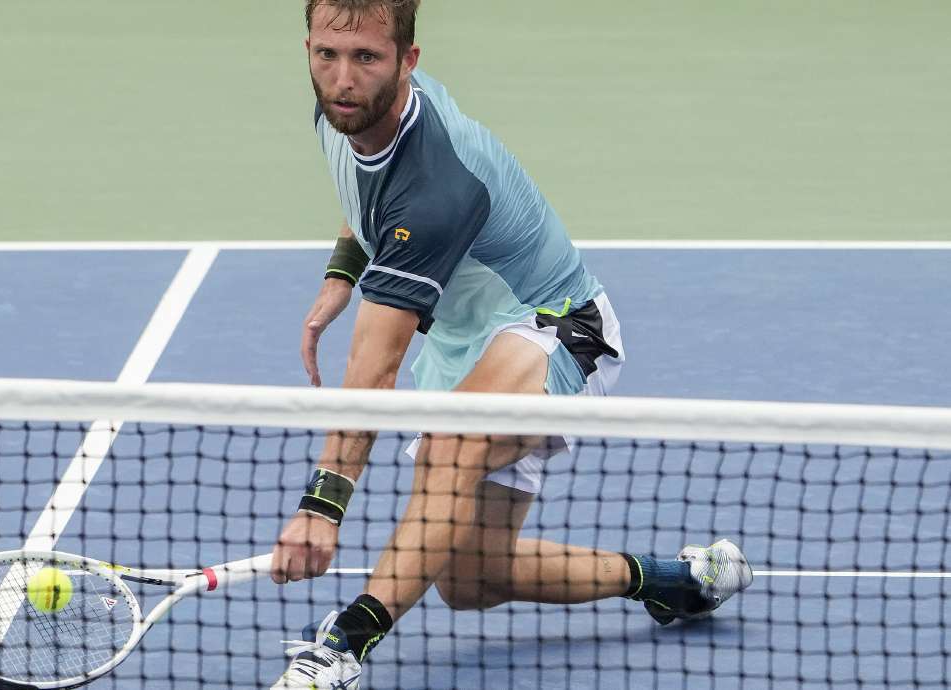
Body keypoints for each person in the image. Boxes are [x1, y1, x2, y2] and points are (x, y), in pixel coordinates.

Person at [270, 2, 753, 688]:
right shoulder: (340, 108)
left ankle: (344, 646)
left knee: (450, 444)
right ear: (310, 49)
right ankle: (672, 580)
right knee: (473, 579)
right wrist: (342, 273)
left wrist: (322, 509)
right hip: (464, 343)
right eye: (327, 56)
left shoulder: (437, 187)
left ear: (408, 61)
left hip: (554, 326)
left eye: (366, 59)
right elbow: (363, 192)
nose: (343, 77)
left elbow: (373, 372)